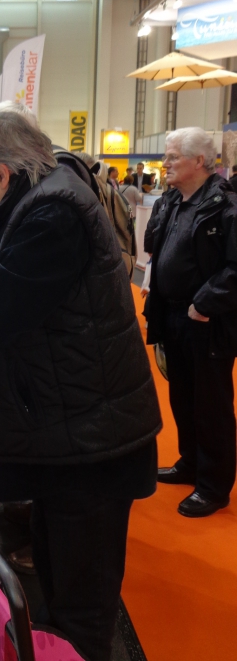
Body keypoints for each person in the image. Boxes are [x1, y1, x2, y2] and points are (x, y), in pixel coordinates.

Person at [0, 110, 161, 661]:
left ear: (1, 173)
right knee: (58, 574)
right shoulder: (45, 196)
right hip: (74, 429)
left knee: (81, 601)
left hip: (91, 439)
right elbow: (15, 289)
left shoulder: (52, 212)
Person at [143, 127, 237, 518]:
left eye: (173, 156)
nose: (164, 163)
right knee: (182, 396)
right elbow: (153, 248)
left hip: (207, 320)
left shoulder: (225, 206)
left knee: (211, 403)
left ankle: (214, 486)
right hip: (172, 315)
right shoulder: (171, 201)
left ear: (199, 161)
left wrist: (205, 302)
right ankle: (190, 463)